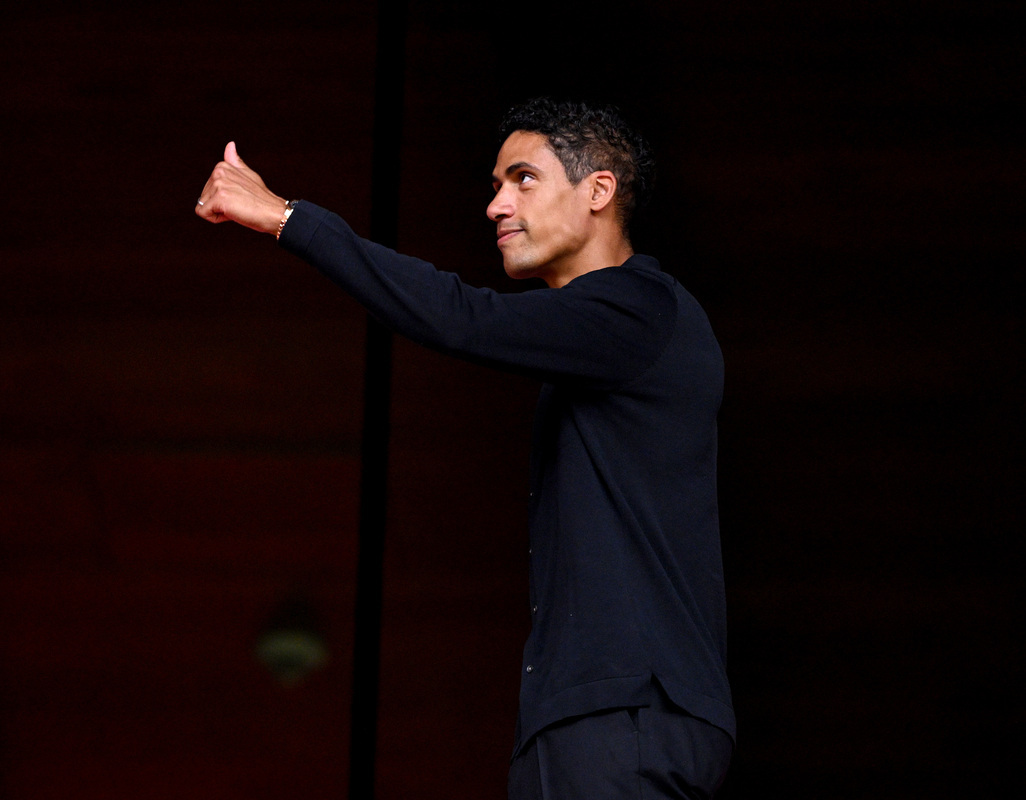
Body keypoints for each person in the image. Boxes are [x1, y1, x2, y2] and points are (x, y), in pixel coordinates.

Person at [196, 97, 735, 799]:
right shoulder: (605, 339)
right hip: (596, 718)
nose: (496, 206)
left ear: (598, 190)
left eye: (524, 179)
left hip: (622, 717)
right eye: (495, 186)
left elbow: (460, 316)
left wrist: (287, 217)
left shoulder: (638, 309)